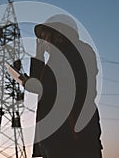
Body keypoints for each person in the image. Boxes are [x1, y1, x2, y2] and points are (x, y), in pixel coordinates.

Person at [24, 14, 103, 158]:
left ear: (59, 34)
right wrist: (39, 55)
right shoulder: (54, 61)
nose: (42, 41)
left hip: (74, 139)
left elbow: (71, 87)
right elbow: (38, 86)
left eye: (45, 36)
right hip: (54, 141)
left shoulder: (80, 51)